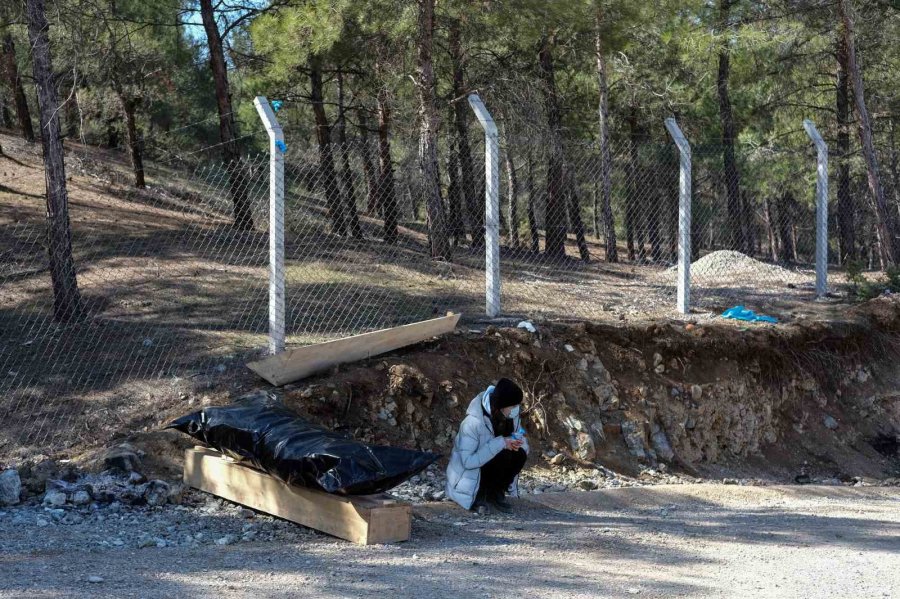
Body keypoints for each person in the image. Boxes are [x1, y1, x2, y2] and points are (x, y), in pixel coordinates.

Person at [446, 378, 528, 513]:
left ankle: (496, 493)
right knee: (500, 454)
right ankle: (479, 495)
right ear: (503, 404)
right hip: (467, 478)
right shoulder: (472, 423)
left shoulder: (511, 417)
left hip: (490, 464)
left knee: (518, 455)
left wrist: (517, 443)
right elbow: (468, 462)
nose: (516, 410)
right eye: (513, 406)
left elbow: (515, 438)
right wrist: (501, 443)